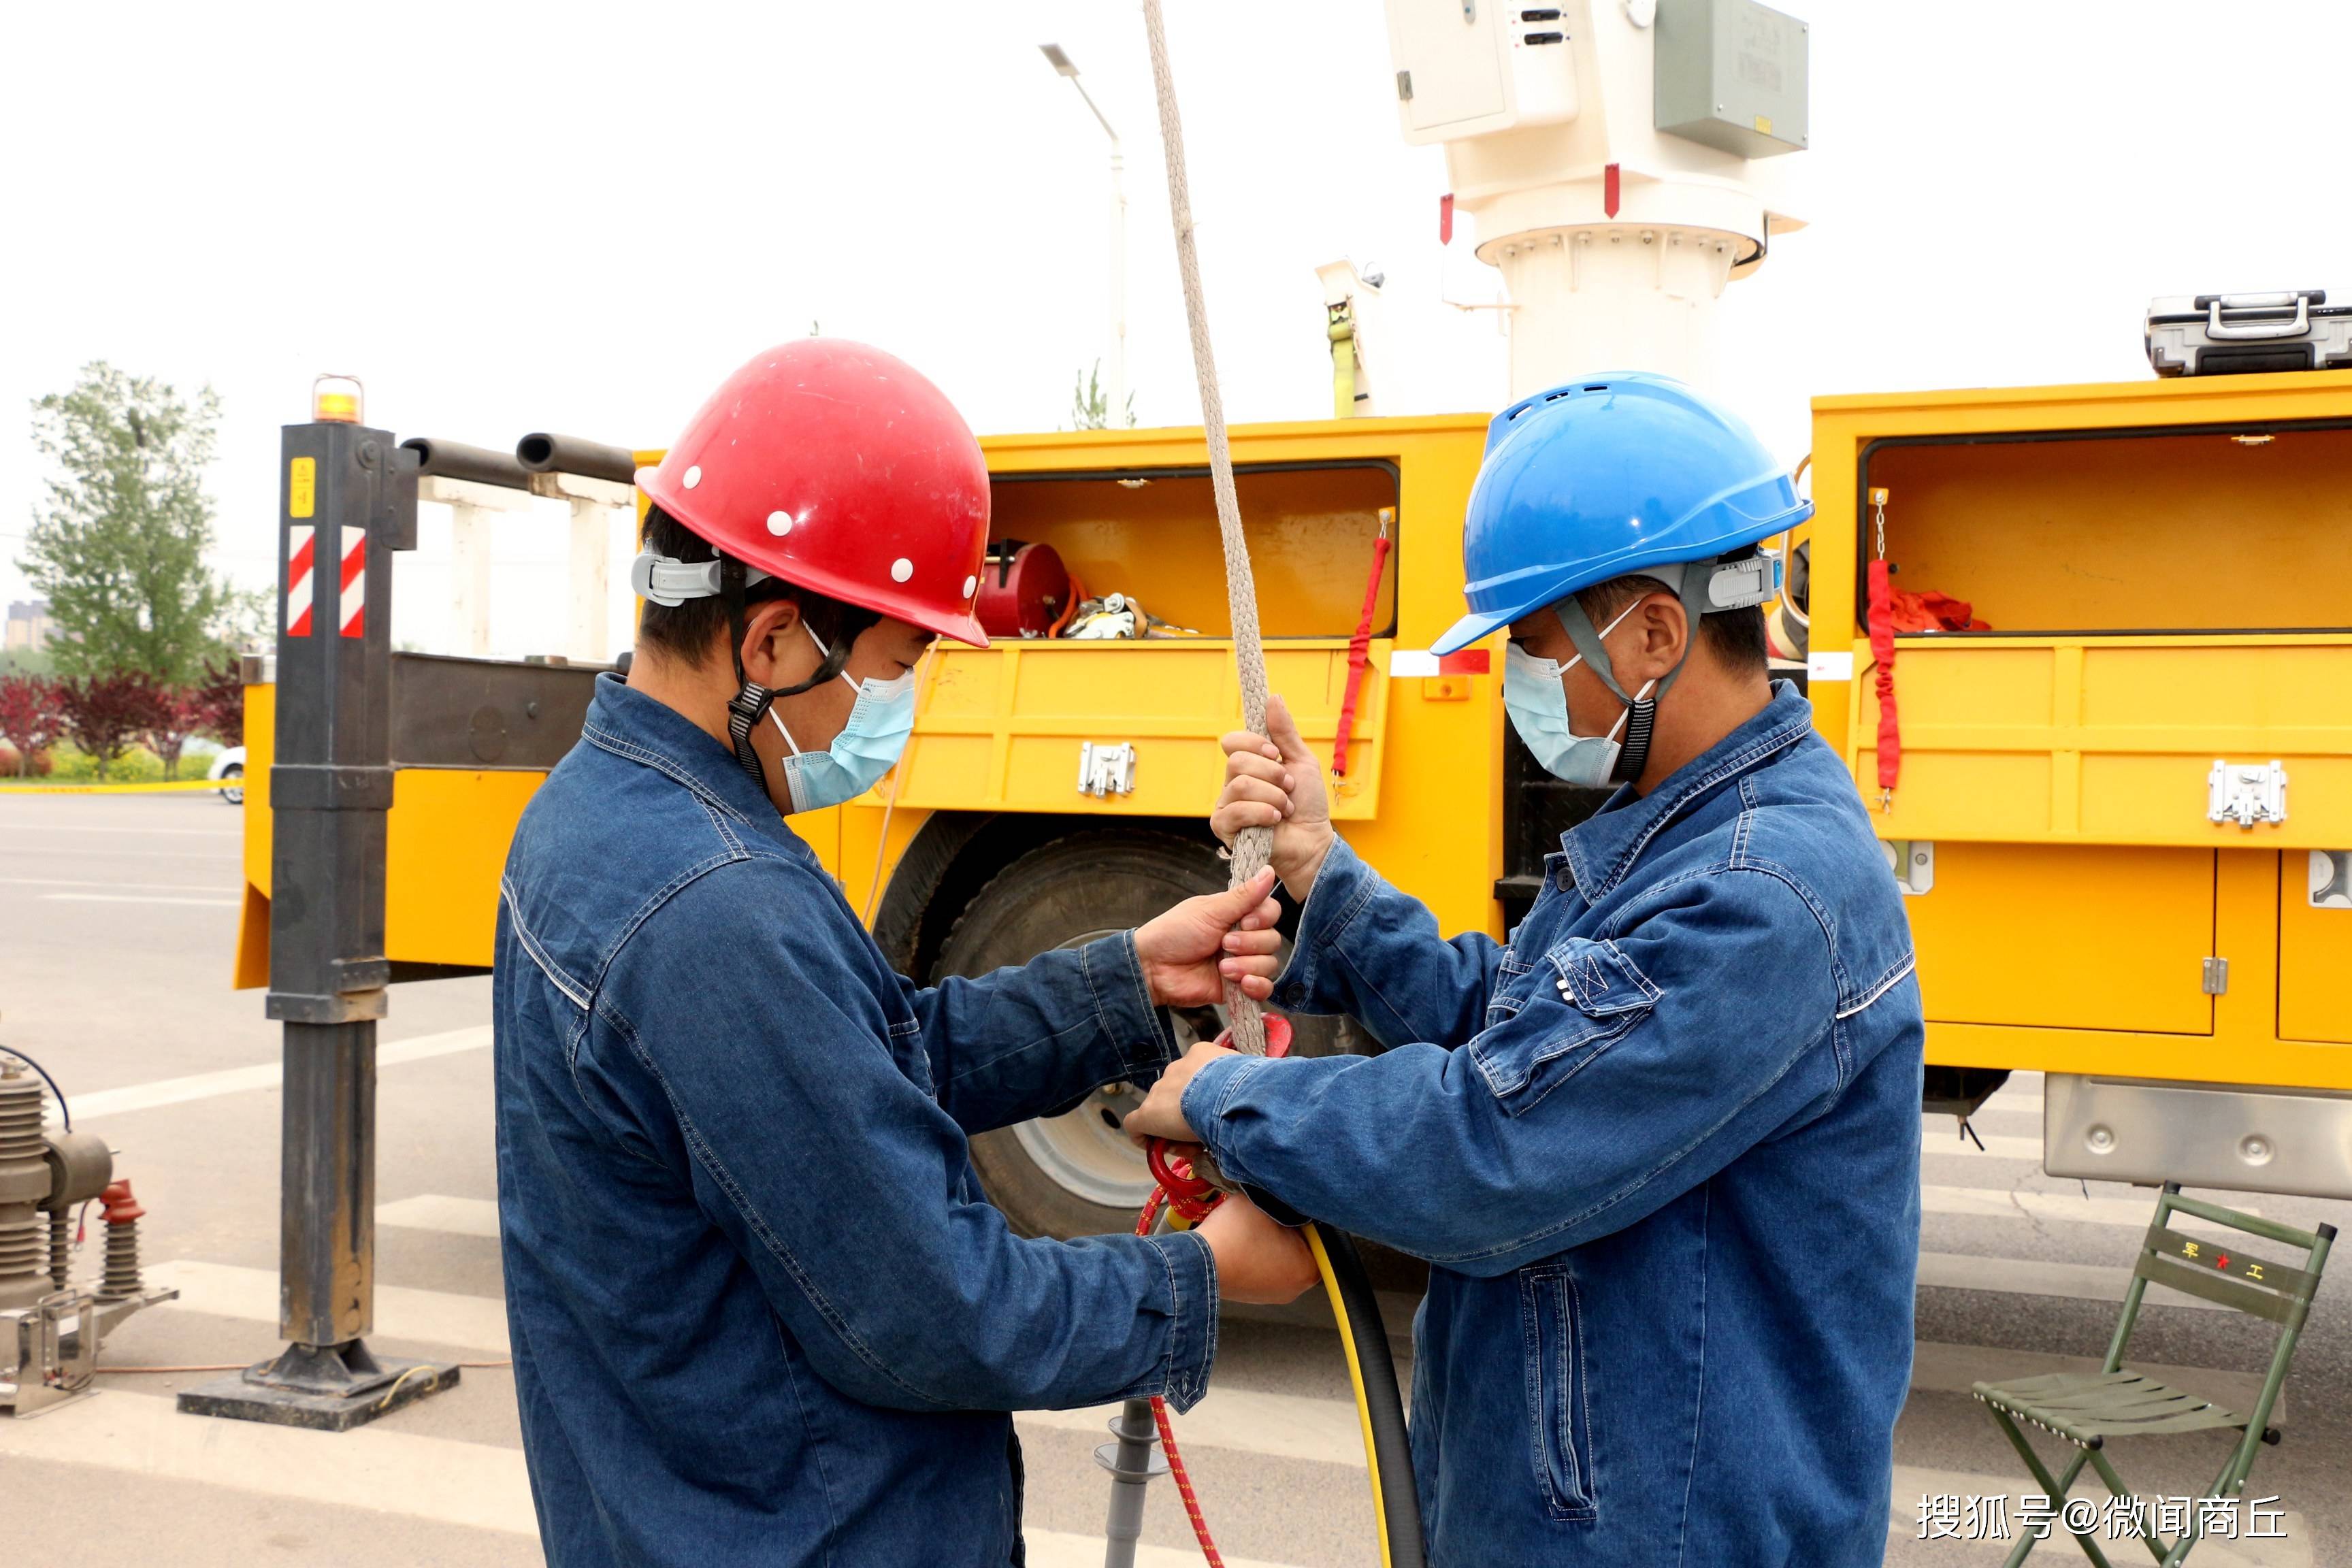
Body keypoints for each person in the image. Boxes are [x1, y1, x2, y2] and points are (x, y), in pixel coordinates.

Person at [494, 340, 1316, 1568]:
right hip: (807, 1530)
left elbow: (868, 1064)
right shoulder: (717, 908)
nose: (904, 704)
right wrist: (1200, 1279)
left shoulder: (601, 814)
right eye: (896, 665)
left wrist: (1128, 977)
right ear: (770, 645)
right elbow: (936, 1314)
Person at [1127, 374, 1926, 1566]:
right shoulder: (1681, 830)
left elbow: (1489, 1147)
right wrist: (1318, 869)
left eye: (1539, 645)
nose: (1520, 683)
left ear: (1656, 632)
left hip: (1668, 1532)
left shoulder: (1761, 894)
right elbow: (1520, 1027)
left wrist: (1226, 1098)